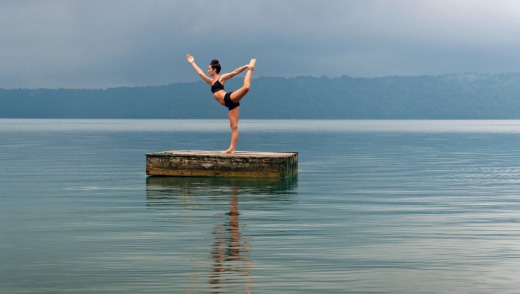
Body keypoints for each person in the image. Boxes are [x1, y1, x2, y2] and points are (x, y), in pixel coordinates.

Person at [186, 54, 255, 154]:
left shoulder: (221, 78)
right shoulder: (211, 81)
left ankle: (251, 67)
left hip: (229, 97)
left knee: (246, 87)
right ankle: (232, 149)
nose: (208, 70)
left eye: (209, 68)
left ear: (214, 70)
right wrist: (192, 62)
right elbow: (200, 73)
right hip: (229, 104)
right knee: (233, 126)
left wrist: (245, 66)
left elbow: (233, 73)